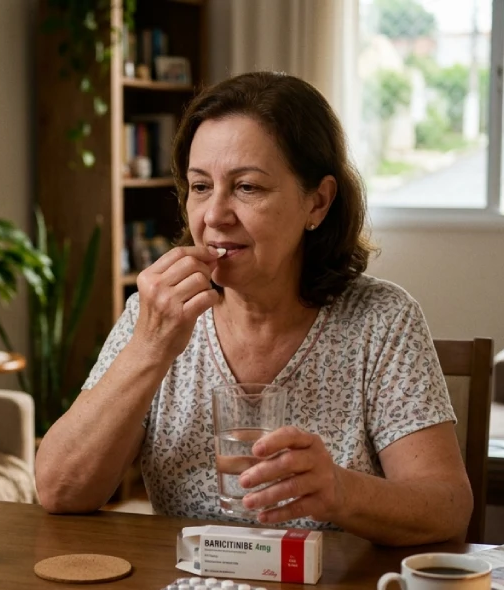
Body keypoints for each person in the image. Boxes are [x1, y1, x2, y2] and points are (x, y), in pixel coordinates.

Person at [35, 72, 472, 547]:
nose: (214, 216)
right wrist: (150, 347)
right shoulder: (157, 312)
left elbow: (446, 508)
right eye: (200, 187)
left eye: (247, 188)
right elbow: (60, 490)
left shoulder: (383, 321)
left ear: (318, 203)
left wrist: (341, 491)